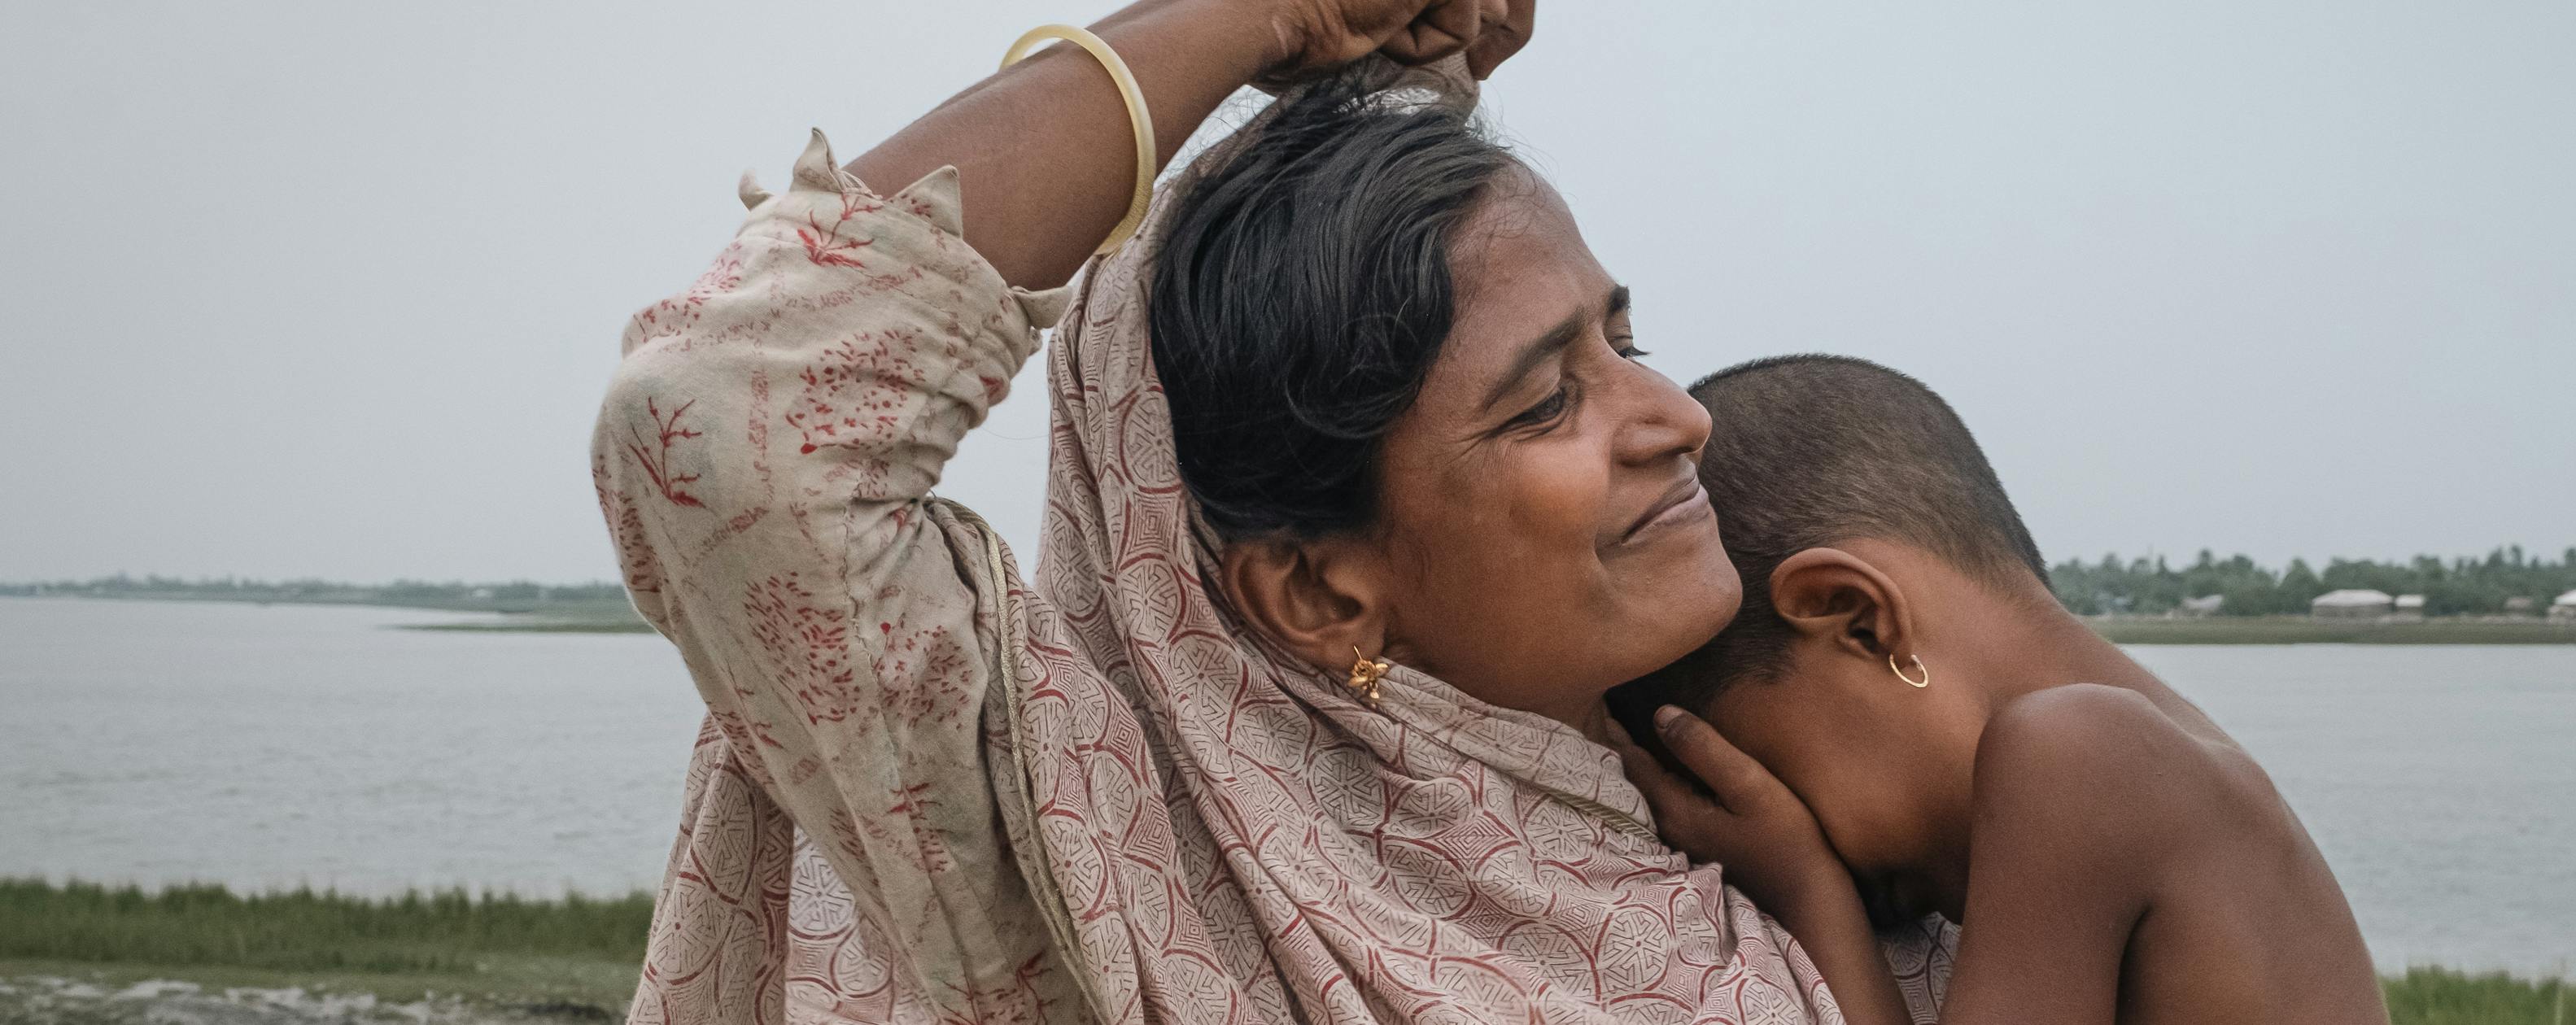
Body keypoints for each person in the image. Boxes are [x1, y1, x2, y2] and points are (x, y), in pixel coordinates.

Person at [590, 2, 1955, 1023]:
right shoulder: (1111, 870)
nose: (1679, 418)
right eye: (1546, 404)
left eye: (1625, 338)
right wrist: (1257, 16)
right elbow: (715, 418)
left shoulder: (1789, 780)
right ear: (1315, 593)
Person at [1605, 355, 2390, 1024]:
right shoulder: (2169, 757)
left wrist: (1808, 888)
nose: (1863, 881)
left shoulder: (2079, 754)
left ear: (1859, 619)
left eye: (1785, 788)